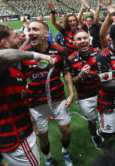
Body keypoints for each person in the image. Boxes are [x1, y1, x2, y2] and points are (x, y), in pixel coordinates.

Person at [0, 24, 53, 165]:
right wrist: (39, 56)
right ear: (4, 43)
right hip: (17, 138)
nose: (20, 39)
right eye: (14, 37)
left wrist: (31, 120)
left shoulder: (13, 65)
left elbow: (18, 98)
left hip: (21, 132)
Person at [21, 20, 75, 166]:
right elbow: (19, 82)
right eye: (29, 29)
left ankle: (65, 150)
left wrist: (71, 93)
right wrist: (27, 109)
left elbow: (66, 72)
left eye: (35, 29)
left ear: (45, 34)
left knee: (66, 130)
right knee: (42, 136)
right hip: (36, 103)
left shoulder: (59, 50)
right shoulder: (24, 54)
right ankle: (49, 157)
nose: (31, 32)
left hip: (58, 99)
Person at [68, 31, 103, 148]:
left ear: (89, 40)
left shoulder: (98, 53)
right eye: (79, 39)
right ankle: (94, 136)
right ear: (75, 43)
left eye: (85, 38)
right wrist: (81, 75)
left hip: (101, 92)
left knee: (105, 115)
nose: (83, 41)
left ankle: (103, 130)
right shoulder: (71, 59)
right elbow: (70, 82)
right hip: (85, 97)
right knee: (92, 120)